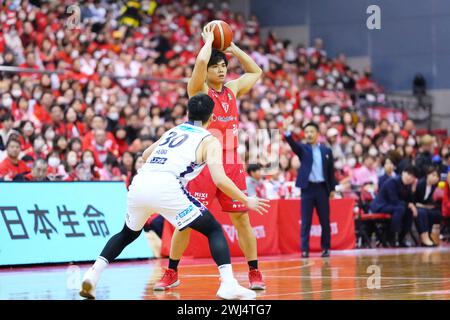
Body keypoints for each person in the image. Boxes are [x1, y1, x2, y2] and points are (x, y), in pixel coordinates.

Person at [79, 94, 269, 300]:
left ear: (188, 114)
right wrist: (246, 200)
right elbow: (220, 180)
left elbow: (144, 155)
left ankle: (93, 274)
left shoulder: (174, 130)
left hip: (140, 184)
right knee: (213, 229)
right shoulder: (210, 140)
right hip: (167, 186)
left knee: (127, 234)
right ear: (212, 117)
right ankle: (228, 284)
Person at [155, 23, 266, 291]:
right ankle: (172, 272)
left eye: (224, 66)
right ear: (207, 70)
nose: (221, 69)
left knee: (242, 220)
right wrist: (208, 42)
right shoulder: (199, 91)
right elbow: (200, 64)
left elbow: (257, 71)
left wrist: (233, 48)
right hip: (202, 161)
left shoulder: (233, 89)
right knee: (186, 222)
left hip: (230, 162)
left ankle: (254, 272)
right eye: (216, 66)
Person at [284, 121, 337, 258]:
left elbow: (331, 171)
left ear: (318, 134)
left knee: (325, 221)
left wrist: (332, 189)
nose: (309, 134)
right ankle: (304, 249)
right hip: (307, 189)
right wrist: (287, 133)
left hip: (322, 189)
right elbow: (293, 145)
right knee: (306, 221)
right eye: (306, 132)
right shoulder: (303, 149)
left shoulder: (326, 151)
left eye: (311, 132)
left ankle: (326, 248)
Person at [369, 165, 418, 247]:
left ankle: (401, 238)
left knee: (408, 211)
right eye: (408, 174)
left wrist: (413, 191)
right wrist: (409, 205)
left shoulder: (408, 186)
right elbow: (394, 200)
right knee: (400, 209)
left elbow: (410, 201)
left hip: (392, 206)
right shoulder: (392, 182)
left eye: (412, 176)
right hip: (380, 206)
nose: (409, 177)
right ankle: (391, 237)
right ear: (403, 173)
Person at [414, 166, 441, 247]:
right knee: (423, 212)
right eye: (433, 175)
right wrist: (423, 206)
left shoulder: (434, 187)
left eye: (437, 176)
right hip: (415, 205)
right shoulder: (420, 183)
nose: (435, 178)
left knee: (435, 213)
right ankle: (424, 237)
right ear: (427, 175)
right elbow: (413, 199)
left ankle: (428, 235)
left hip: (424, 206)